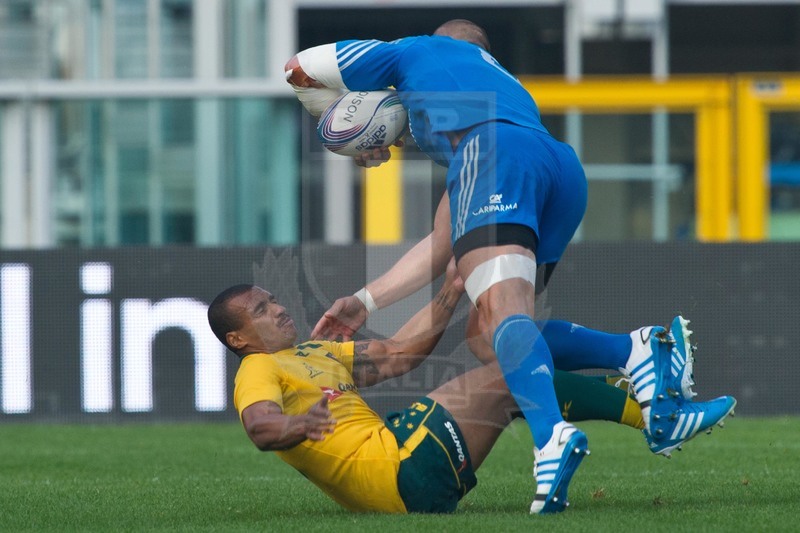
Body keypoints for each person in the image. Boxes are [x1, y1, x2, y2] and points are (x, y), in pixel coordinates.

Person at [284, 19, 735, 513]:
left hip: (498, 154)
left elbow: (298, 69)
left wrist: (336, 125)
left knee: (502, 310)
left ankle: (551, 437)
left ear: (443, 43)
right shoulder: (497, 90)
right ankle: (635, 351)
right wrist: (365, 301)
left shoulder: (412, 51)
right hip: (557, 167)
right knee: (487, 334)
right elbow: (442, 244)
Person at [207, 261, 730, 514]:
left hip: (404, 472)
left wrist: (452, 290)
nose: (276, 309)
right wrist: (298, 423)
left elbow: (399, 355)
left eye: (272, 300)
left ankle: (652, 417)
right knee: (508, 373)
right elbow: (259, 426)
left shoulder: (311, 355)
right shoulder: (257, 370)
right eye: (260, 310)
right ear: (238, 337)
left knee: (522, 387)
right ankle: (652, 411)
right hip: (395, 471)